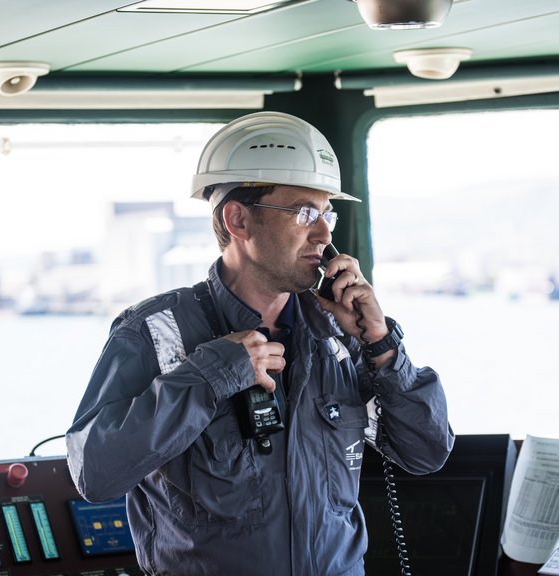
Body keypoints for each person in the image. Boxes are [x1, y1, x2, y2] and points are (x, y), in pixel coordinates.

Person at [66, 111, 454, 576]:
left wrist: (382, 347)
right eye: (304, 213)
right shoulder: (155, 331)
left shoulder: (341, 336)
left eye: (327, 213)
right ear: (238, 220)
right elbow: (95, 473)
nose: (325, 233)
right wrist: (211, 376)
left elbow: (426, 453)